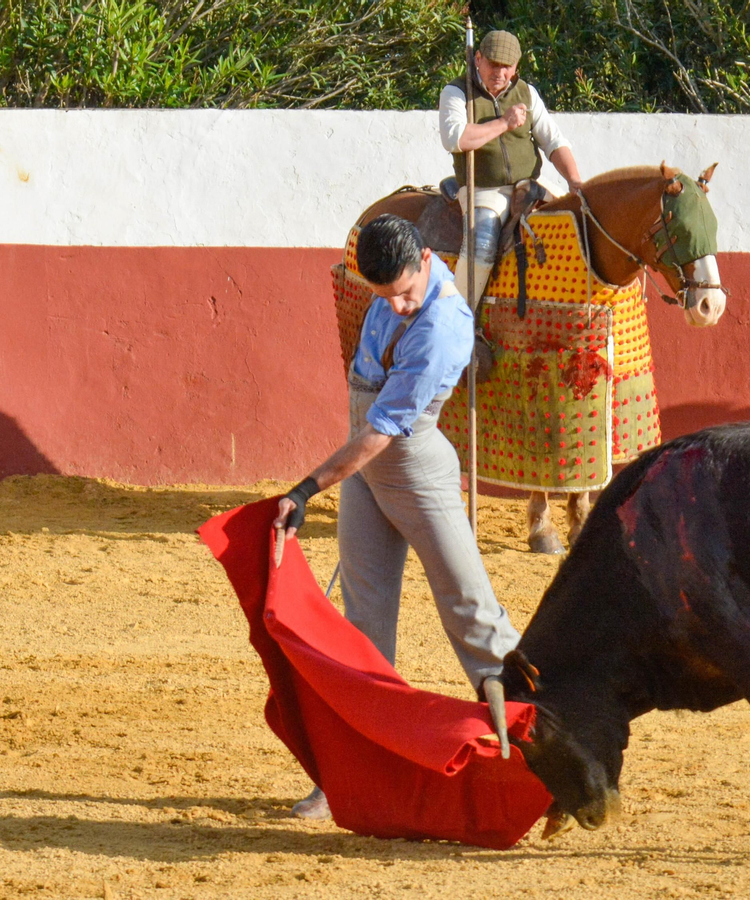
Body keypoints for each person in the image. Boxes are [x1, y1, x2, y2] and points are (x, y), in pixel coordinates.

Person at [271, 214, 522, 819]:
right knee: (362, 625)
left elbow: (384, 430)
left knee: (471, 611)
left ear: (428, 258)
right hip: (367, 468)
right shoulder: (386, 291)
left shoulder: (444, 327)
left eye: (407, 293)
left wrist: (309, 488)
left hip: (414, 470)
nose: (401, 306)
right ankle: (346, 777)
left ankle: (543, 745)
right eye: (388, 298)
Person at [438, 29, 584, 306]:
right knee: (481, 243)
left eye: (507, 66)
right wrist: (504, 123)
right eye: (493, 63)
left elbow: (553, 142)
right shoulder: (456, 92)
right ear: (478, 59)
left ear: (517, 66)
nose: (500, 72)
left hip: (527, 185)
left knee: (570, 223)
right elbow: (455, 139)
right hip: (484, 189)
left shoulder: (527, 93)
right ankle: (456, 316)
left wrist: (574, 180)